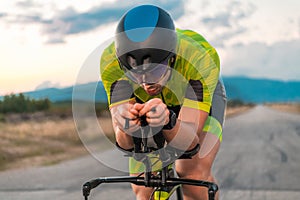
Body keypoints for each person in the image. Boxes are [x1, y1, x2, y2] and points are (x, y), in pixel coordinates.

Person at [100, 4, 226, 200]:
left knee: (191, 174)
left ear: (173, 58)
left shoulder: (200, 58)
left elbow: (189, 141)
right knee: (144, 187)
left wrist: (167, 122)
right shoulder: (111, 65)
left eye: (156, 71)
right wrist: (126, 126)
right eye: (134, 75)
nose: (145, 83)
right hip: (149, 106)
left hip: (193, 95)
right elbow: (124, 143)